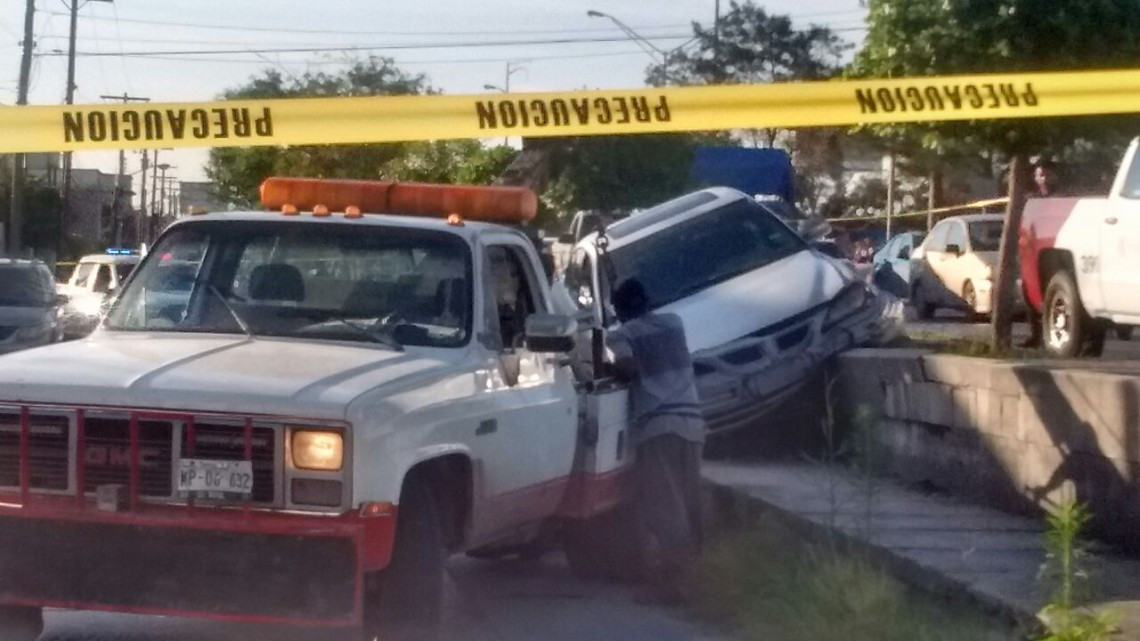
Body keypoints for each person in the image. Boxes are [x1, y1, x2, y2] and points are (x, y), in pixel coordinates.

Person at [607, 278, 705, 606]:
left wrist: (608, 366)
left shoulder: (621, 334)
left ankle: (677, 588)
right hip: (692, 423)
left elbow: (628, 369)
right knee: (688, 502)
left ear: (620, 310)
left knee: (665, 507)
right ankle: (696, 577)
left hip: (658, 427)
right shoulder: (674, 322)